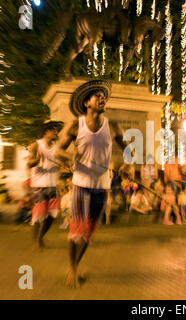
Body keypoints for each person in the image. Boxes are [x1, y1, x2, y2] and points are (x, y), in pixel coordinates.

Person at [56, 79, 128, 288]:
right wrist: (71, 156)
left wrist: (127, 162)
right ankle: (72, 268)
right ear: (87, 103)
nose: (102, 98)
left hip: (102, 186)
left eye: (103, 96)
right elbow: (59, 150)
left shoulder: (112, 125)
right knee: (77, 228)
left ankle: (76, 265)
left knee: (88, 232)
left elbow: (126, 149)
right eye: (97, 96)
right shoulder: (75, 125)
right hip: (81, 183)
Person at [27, 120, 63, 250]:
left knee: (52, 215)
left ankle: (40, 237)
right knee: (38, 215)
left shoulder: (56, 147)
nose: (55, 132)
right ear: (46, 131)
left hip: (53, 186)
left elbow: (60, 162)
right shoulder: (36, 145)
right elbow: (29, 163)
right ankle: (36, 242)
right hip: (39, 186)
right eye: (53, 129)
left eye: (56, 129)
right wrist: (35, 160)